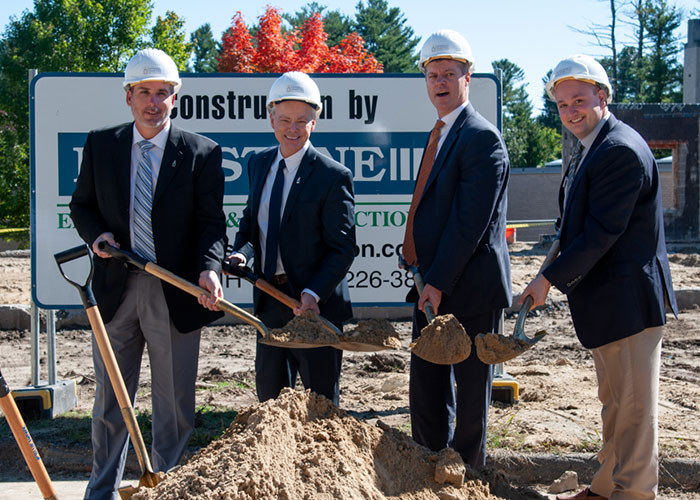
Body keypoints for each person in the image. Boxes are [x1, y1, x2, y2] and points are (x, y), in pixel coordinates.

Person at [70, 48, 227, 500]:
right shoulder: (102, 144)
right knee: (110, 401)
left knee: (173, 404)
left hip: (173, 290)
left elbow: (211, 224)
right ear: (128, 97)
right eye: (144, 92)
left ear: (175, 97)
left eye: (162, 92)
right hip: (116, 289)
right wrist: (96, 235)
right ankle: (101, 490)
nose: (153, 102)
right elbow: (82, 205)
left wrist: (210, 269)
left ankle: (166, 488)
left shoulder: (201, 152)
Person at [521, 55, 678, 500]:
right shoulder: (593, 146)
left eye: (580, 100)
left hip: (628, 304)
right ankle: (607, 487)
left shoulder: (620, 151)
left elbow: (600, 233)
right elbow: (574, 224)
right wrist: (546, 271)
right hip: (609, 304)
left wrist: (549, 279)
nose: (571, 110)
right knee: (615, 404)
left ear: (603, 97)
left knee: (633, 413)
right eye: (562, 103)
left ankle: (633, 493)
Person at [402, 29, 511, 470]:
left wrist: (439, 282)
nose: (440, 82)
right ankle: (431, 466)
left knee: (469, 397)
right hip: (433, 285)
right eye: (432, 74)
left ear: (468, 77)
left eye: (449, 73)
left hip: (468, 290)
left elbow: (471, 224)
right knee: (425, 387)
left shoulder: (481, 138)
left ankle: (466, 475)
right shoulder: (442, 133)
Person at [225, 71, 355, 406]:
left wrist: (313, 293)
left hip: (315, 309)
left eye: (302, 120)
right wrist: (242, 253)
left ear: (315, 121)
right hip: (269, 301)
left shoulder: (332, 176)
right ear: (271, 118)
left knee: (319, 404)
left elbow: (342, 248)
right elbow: (252, 225)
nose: (292, 129)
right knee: (270, 400)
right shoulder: (258, 164)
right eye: (284, 119)